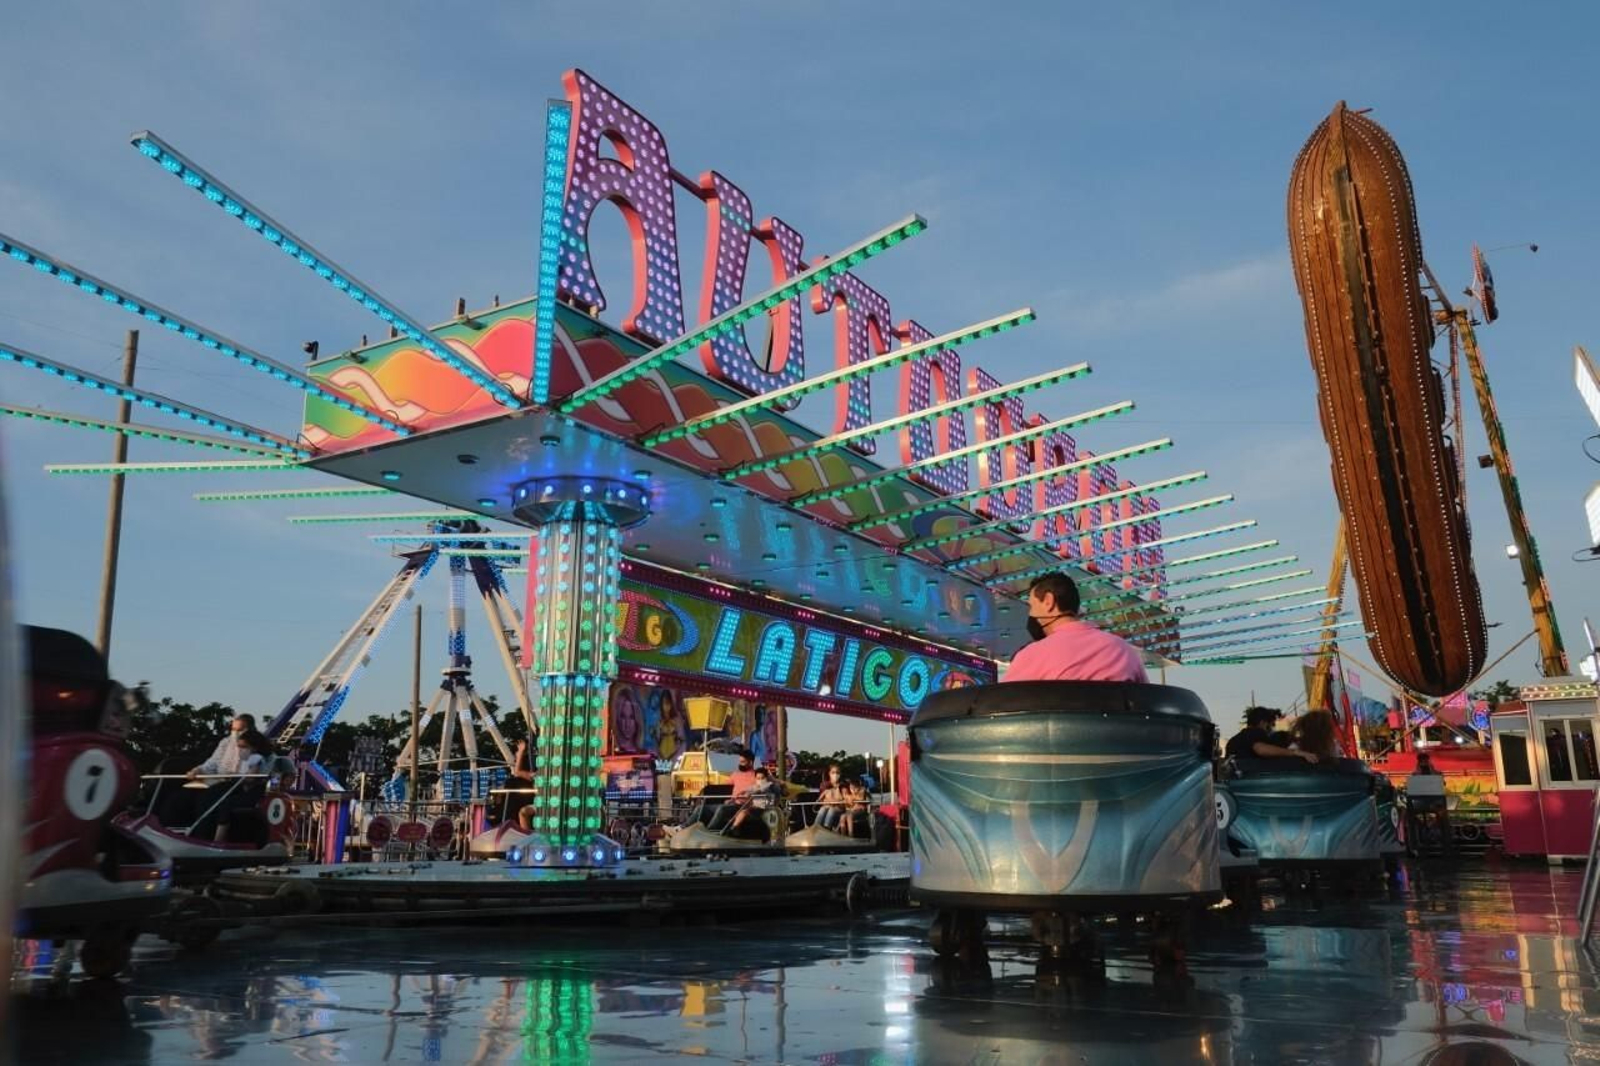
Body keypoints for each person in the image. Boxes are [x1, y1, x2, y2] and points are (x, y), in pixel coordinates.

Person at [1002, 573, 1148, 683]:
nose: (1030, 614)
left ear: (1048, 601)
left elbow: (1003, 705)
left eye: (1032, 606)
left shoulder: (1031, 656)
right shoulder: (1125, 651)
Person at [1225, 706, 1319, 763]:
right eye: (1271, 725)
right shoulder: (1255, 732)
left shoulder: (1234, 740)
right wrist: (1295, 753)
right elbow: (1261, 750)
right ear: (1263, 723)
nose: (1271, 730)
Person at [728, 767, 781, 838]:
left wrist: (751, 793)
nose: (760, 780)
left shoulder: (769, 785)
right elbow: (746, 790)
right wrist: (737, 796)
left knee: (746, 812)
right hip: (755, 808)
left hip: (766, 808)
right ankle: (734, 828)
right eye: (758, 778)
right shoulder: (754, 786)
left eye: (762, 778)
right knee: (742, 811)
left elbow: (760, 790)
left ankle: (734, 828)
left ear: (766, 778)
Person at [816, 764, 850, 831]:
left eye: (837, 773)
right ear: (829, 773)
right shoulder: (824, 785)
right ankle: (816, 828)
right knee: (822, 810)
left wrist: (837, 802)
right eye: (833, 772)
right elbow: (821, 800)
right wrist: (828, 802)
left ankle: (827, 829)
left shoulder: (843, 785)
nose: (835, 775)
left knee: (832, 810)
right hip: (826, 806)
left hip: (839, 808)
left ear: (840, 774)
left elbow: (846, 799)